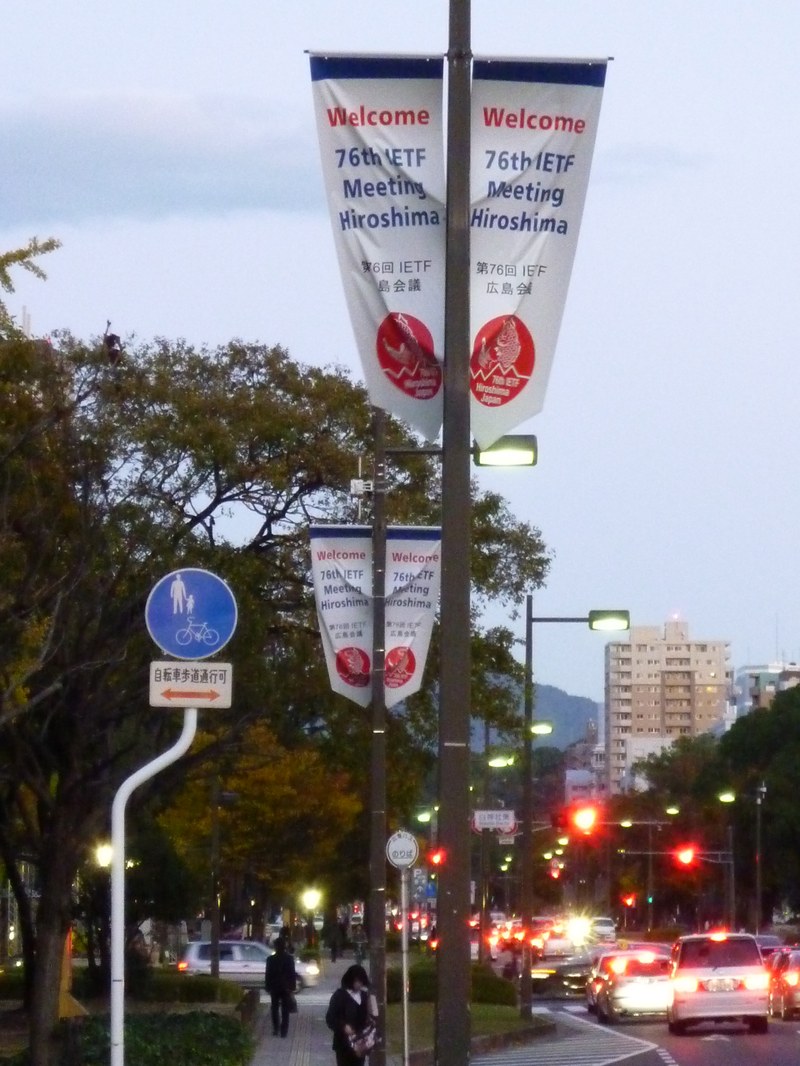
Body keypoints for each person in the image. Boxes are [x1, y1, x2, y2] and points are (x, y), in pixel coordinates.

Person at [325, 964, 376, 1066]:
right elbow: (330, 1018)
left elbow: (369, 1017)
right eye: (357, 981)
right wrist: (343, 1026)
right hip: (343, 1044)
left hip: (360, 1043)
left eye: (361, 982)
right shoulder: (339, 996)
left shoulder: (364, 996)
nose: (359, 985)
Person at [264, 936, 297, 1038]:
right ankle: (284, 1031)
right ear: (284, 947)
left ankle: (276, 1028)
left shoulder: (270, 959)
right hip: (286, 987)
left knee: (274, 1008)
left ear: (275, 947)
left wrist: (267, 986)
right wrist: (292, 987)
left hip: (274, 986)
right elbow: (292, 974)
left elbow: (268, 974)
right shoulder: (289, 959)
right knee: (285, 1009)